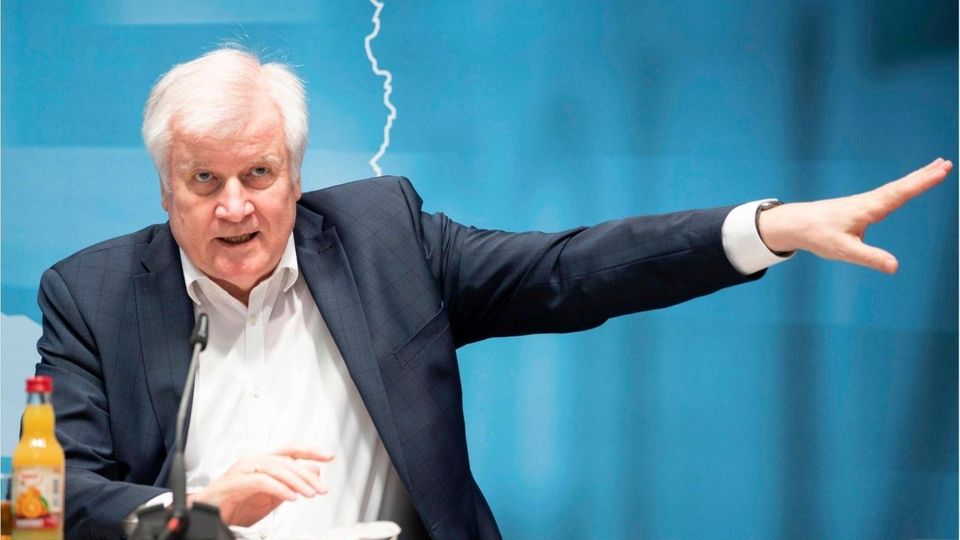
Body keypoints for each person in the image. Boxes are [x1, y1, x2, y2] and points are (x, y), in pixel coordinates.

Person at [34, 48, 952, 540]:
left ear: (297, 175)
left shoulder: (384, 242)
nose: (235, 206)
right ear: (165, 188)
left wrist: (772, 227)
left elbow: (571, 269)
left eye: (259, 174)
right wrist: (198, 518)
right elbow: (62, 498)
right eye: (204, 180)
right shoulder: (93, 295)